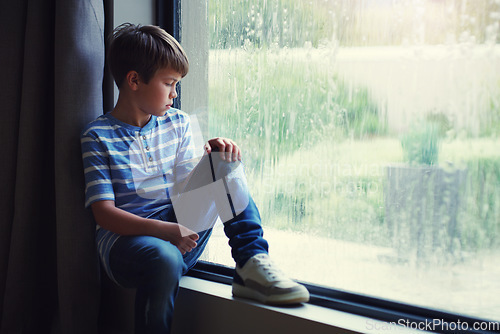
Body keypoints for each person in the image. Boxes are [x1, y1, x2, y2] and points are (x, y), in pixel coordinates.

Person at [80, 23, 309, 334]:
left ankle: (251, 263)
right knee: (164, 257)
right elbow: (103, 214)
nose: (175, 94)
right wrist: (164, 230)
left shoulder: (178, 123)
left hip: (178, 230)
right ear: (134, 80)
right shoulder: (97, 136)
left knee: (221, 162)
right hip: (127, 244)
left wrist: (212, 160)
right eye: (169, 83)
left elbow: (185, 187)